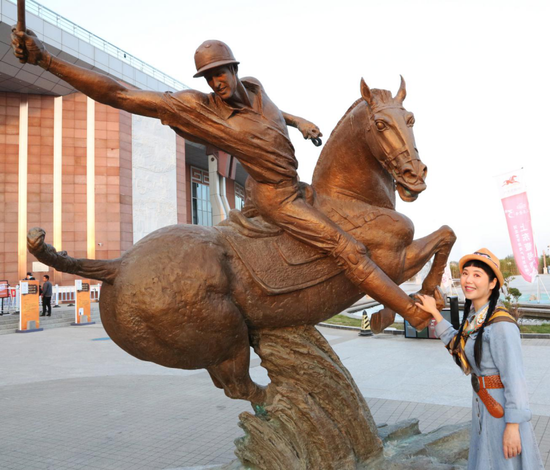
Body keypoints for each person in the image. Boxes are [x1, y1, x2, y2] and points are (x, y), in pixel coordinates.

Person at [10, 32, 430, 325]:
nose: (217, 83)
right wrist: (46, 60)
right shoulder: (200, 110)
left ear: (234, 68)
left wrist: (299, 121)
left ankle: (378, 303)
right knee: (347, 245)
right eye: (209, 78)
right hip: (276, 200)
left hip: (298, 188)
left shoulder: (255, 86)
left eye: (220, 74)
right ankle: (411, 311)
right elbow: (118, 95)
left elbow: (272, 113)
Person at [416, 248, 544, 469]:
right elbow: (460, 347)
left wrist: (513, 426)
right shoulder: (476, 319)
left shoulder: (501, 324)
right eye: (466, 273)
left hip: (502, 412)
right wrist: (436, 314)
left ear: (492, 283)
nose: (468, 280)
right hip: (483, 405)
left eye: (477, 275)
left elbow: (514, 378)